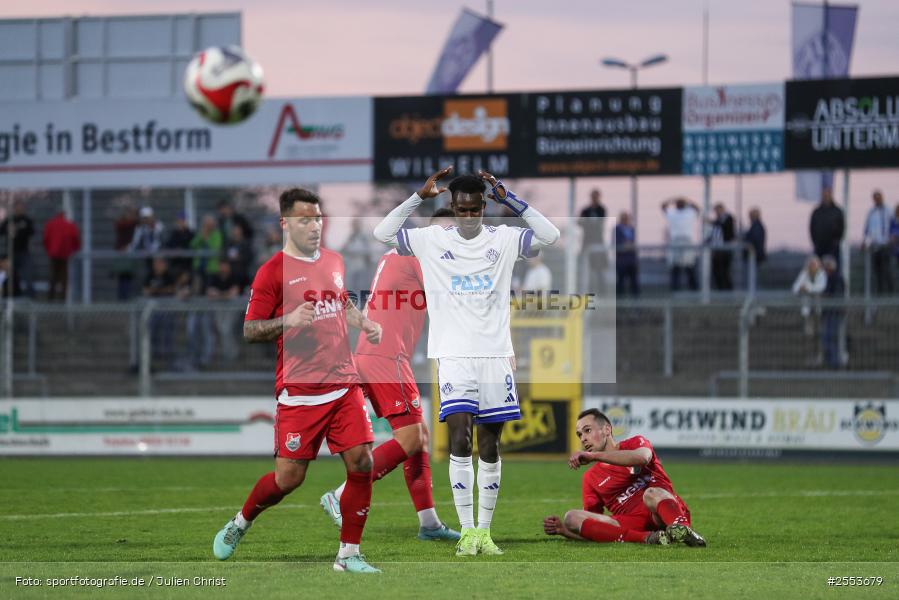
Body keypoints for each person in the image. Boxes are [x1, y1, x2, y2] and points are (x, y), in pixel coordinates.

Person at [373, 166, 560, 556]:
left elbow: (550, 235)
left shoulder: (505, 238)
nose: (469, 216)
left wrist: (510, 199)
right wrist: (417, 199)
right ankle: (466, 530)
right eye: (462, 209)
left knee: (490, 445)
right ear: (453, 207)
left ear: (484, 208)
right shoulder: (430, 240)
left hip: (495, 356)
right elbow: (383, 234)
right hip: (454, 356)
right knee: (460, 439)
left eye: (476, 209)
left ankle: (484, 534)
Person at [212, 188, 383, 574]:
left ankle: (348, 555)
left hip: (343, 384)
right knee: (287, 479)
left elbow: (342, 302)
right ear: (285, 223)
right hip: (300, 393)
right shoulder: (273, 271)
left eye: (318, 219)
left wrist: (364, 323)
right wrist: (287, 321)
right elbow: (250, 329)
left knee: (362, 462)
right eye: (305, 220)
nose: (314, 226)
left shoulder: (335, 261)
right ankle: (241, 522)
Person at [321, 209, 460, 543]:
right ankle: (340, 495)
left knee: (419, 438)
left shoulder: (398, 253)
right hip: (387, 358)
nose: (449, 239)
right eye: (444, 231)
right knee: (411, 439)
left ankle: (428, 523)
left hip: (376, 354)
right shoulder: (420, 257)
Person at [542, 409, 706, 547]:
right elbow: (594, 529)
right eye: (579, 435)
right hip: (633, 524)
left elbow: (642, 458)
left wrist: (595, 457)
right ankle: (647, 538)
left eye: (587, 430)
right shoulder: (590, 478)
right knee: (571, 517)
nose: (583, 438)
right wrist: (564, 531)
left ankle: (682, 529)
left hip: (662, 513)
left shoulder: (636, 442)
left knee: (650, 493)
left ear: (607, 429)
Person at [206, 260, 243, 363]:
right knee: (222, 329)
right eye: (221, 265)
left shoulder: (234, 276)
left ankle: (232, 354)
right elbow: (210, 293)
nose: (223, 268)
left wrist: (220, 295)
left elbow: (234, 293)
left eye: (225, 265)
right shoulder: (214, 277)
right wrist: (225, 295)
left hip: (233, 309)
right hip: (219, 308)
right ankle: (230, 353)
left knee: (225, 329)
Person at [143, 257, 177, 368]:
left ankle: (169, 356)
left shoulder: (169, 275)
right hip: (153, 309)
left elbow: (172, 289)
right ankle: (152, 355)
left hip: (167, 308)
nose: (157, 265)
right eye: (155, 263)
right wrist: (160, 290)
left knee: (168, 330)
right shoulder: (150, 275)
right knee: (151, 329)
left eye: (159, 263)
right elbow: (146, 291)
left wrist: (156, 290)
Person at [661, 197, 700, 291]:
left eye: (681, 203)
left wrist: (687, 201)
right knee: (675, 266)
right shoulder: (672, 213)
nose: (680, 204)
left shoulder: (689, 212)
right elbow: (663, 206)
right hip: (675, 240)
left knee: (689, 266)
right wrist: (673, 200)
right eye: (679, 203)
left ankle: (693, 288)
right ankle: (675, 289)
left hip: (686, 240)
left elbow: (697, 209)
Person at [43, 209, 81, 302]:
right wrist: (73, 250)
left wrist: (49, 250)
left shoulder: (50, 224)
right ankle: (62, 300)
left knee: (52, 277)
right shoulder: (69, 225)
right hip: (65, 254)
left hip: (53, 253)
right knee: (64, 278)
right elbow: (76, 239)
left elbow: (46, 239)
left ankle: (50, 300)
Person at [0, 201, 35, 297]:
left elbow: (32, 232)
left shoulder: (27, 220)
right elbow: (1, 231)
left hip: (23, 252)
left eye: (20, 207)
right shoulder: (9, 220)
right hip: (11, 252)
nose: (19, 209)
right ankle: (9, 294)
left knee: (27, 275)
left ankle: (30, 297)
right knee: (8, 275)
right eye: (17, 207)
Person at [792, 256, 827, 349]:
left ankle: (819, 348)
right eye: (810, 265)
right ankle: (808, 348)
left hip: (818, 309)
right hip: (807, 309)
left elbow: (820, 287)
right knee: (808, 332)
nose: (812, 267)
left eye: (814, 265)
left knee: (819, 330)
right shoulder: (804, 274)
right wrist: (800, 288)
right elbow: (795, 288)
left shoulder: (822, 274)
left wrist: (806, 287)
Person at [862, 190, 893, 295]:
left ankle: (890, 294)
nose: (877, 199)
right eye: (875, 197)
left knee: (887, 271)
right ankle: (880, 295)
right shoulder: (871, 213)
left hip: (886, 246)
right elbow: (867, 230)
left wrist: (891, 239)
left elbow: (893, 226)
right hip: (875, 247)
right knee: (877, 273)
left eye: (879, 197)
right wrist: (866, 242)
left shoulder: (889, 211)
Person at [578, 189, 607, 293]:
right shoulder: (585, 210)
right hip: (587, 242)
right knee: (587, 269)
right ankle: (589, 292)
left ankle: (601, 292)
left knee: (599, 268)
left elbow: (600, 223)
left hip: (598, 243)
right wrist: (590, 223)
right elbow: (580, 222)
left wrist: (589, 223)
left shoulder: (601, 209)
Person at [821, 255, 846, 369]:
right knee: (828, 338)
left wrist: (826, 297)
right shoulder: (832, 278)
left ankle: (834, 363)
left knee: (830, 337)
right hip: (832, 312)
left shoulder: (836, 278)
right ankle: (833, 361)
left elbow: (836, 295)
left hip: (834, 313)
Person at [809, 188, 844, 263]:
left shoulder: (837, 211)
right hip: (819, 247)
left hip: (833, 248)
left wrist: (836, 242)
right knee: (819, 269)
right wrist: (815, 242)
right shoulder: (816, 212)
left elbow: (842, 228)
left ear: (831, 195)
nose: (826, 197)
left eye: (828, 195)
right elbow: (811, 228)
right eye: (824, 195)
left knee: (833, 270)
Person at [113, 206, 139, 301]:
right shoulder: (123, 224)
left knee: (128, 277)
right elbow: (119, 225)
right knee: (123, 277)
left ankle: (126, 298)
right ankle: (122, 299)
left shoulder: (135, 225)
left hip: (130, 253)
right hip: (122, 254)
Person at [708, 203, 735, 291]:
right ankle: (720, 290)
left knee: (724, 272)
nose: (716, 213)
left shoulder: (728, 218)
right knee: (716, 271)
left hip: (725, 250)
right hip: (717, 250)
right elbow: (715, 234)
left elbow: (725, 227)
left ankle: (727, 291)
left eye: (717, 210)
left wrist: (711, 222)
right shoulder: (718, 220)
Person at [613, 211, 639, 297]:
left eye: (627, 218)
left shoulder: (631, 229)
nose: (625, 220)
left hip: (631, 260)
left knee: (634, 282)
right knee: (620, 281)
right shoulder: (617, 229)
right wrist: (624, 245)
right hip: (621, 260)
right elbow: (616, 242)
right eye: (624, 218)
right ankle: (619, 303)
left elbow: (633, 243)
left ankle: (636, 303)